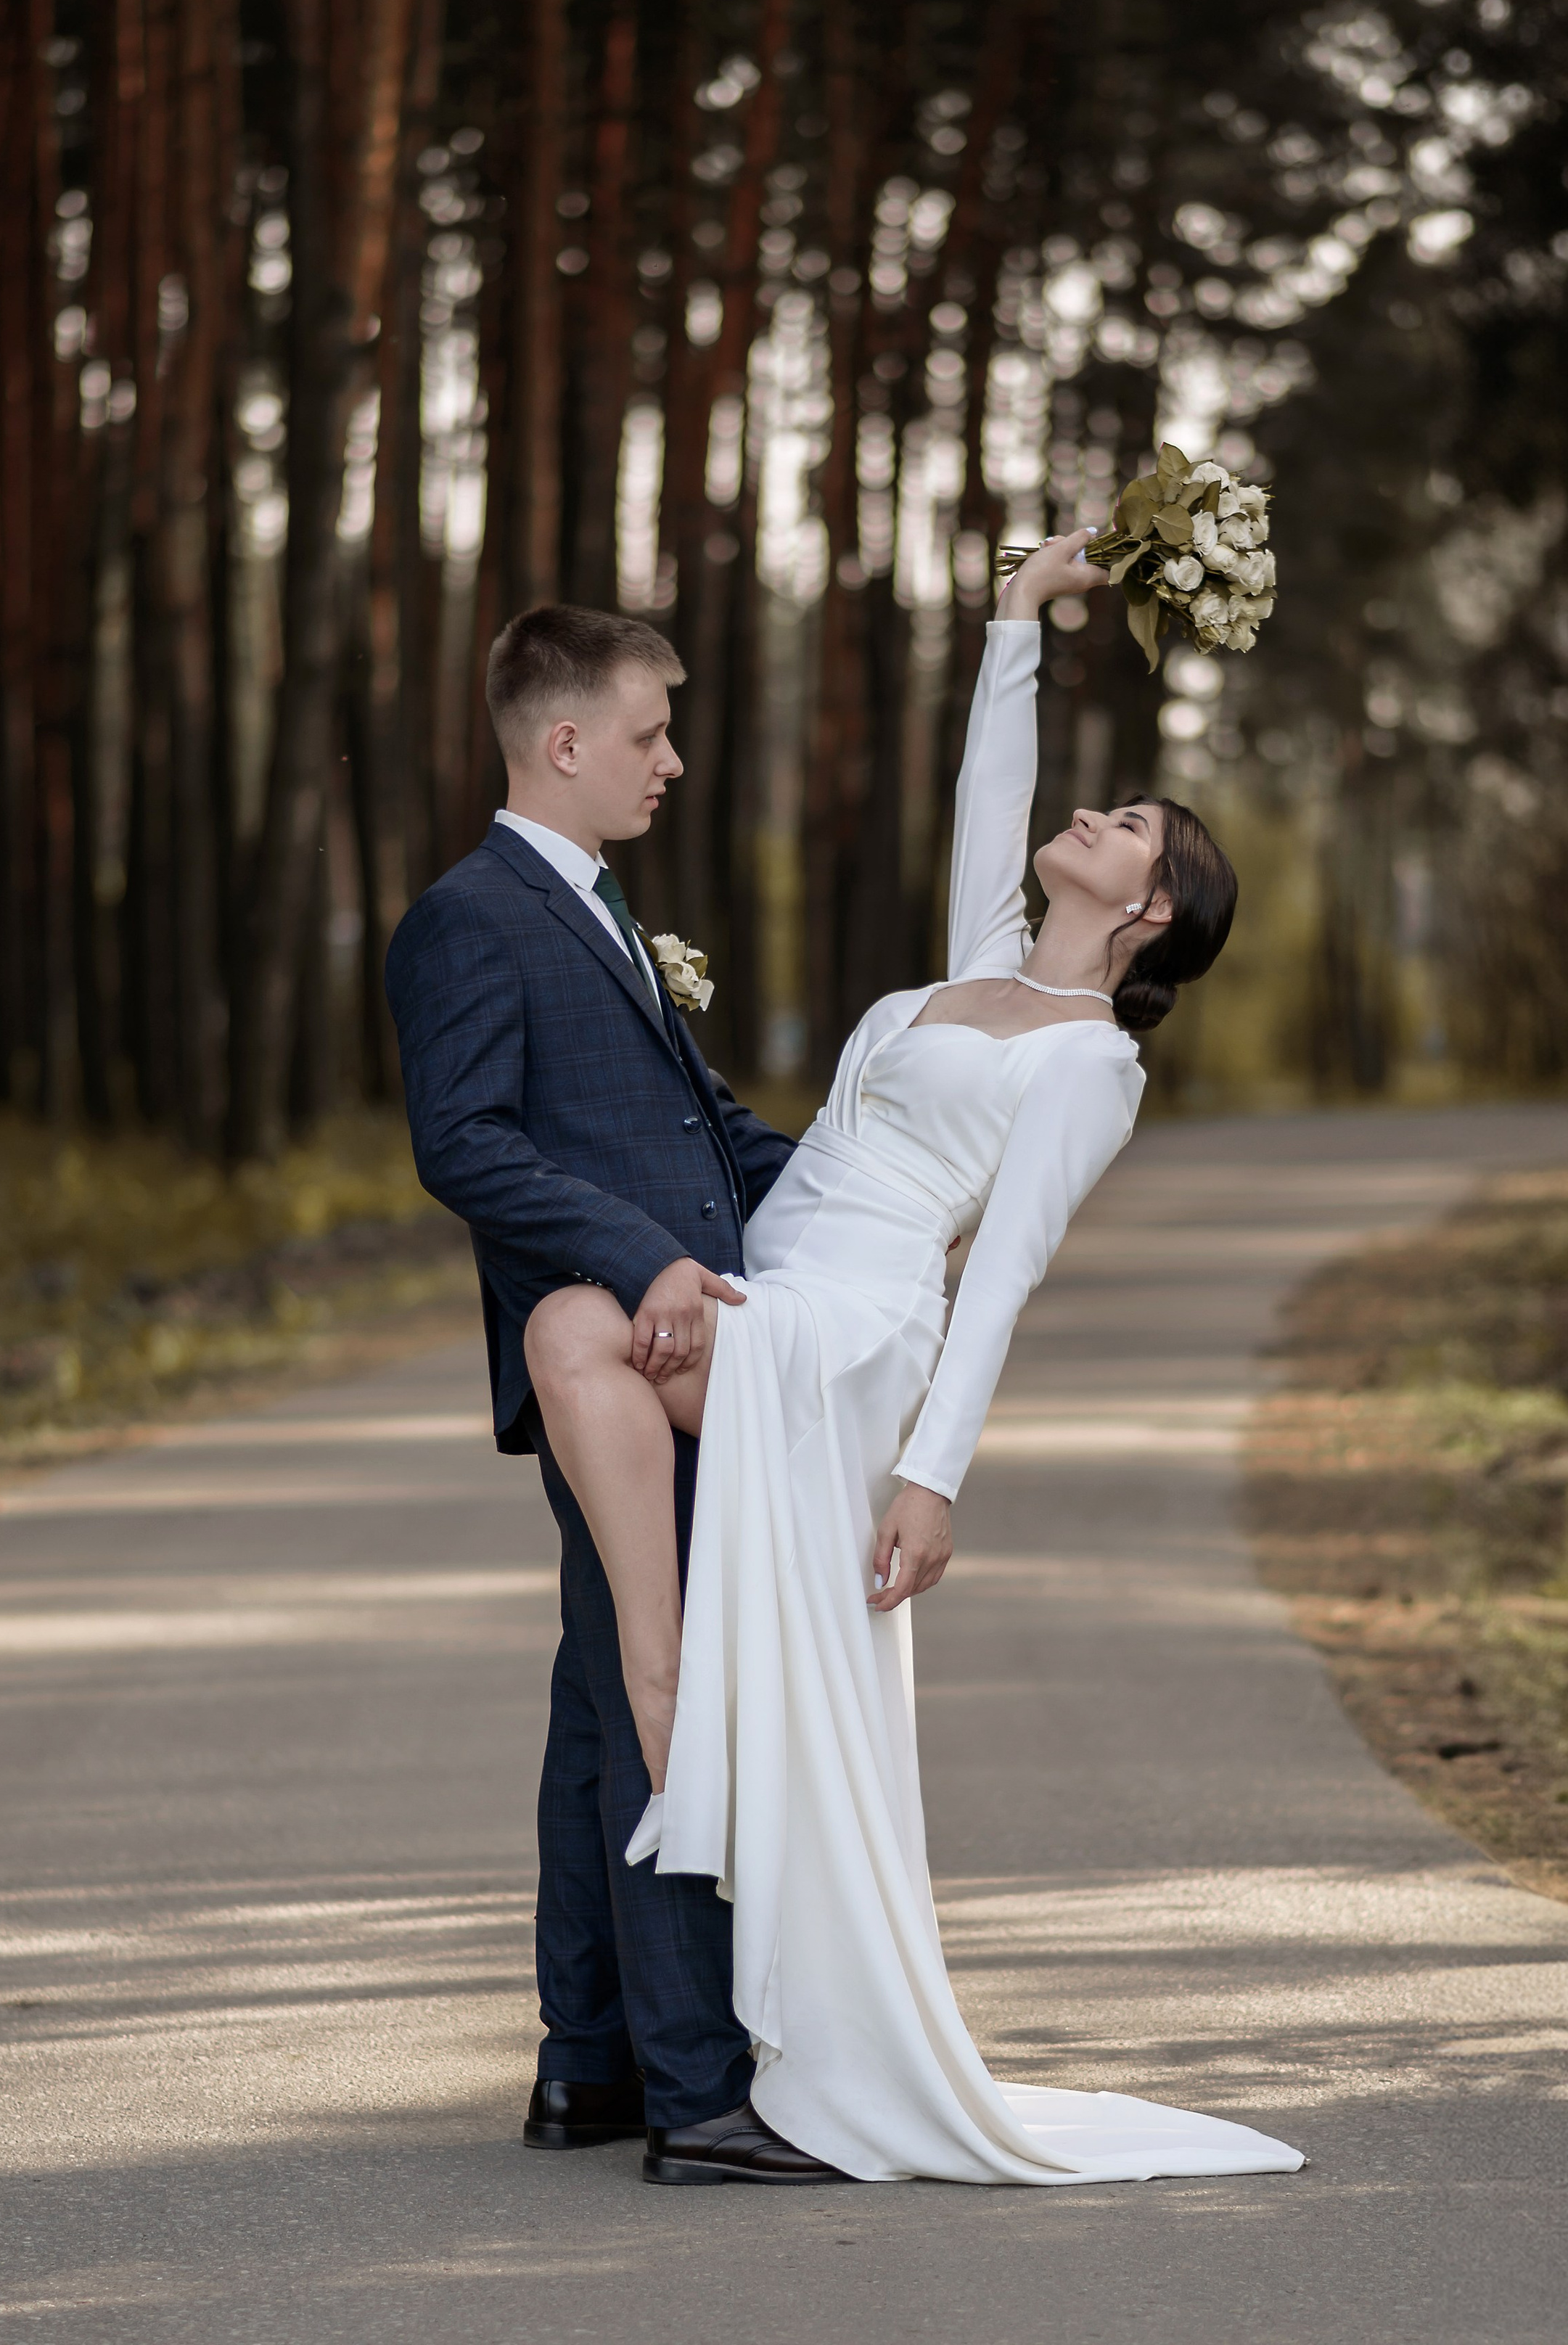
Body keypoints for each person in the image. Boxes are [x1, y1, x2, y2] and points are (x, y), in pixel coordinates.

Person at [523, 531, 1307, 2185]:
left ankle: (665, 1698)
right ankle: (674, 1694)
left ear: (1148, 906)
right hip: (769, 1275)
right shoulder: (971, 970)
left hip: (850, 1329)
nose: (1086, 822)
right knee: (573, 1333)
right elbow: (984, 790)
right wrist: (1016, 618)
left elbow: (1001, 1276)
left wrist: (931, 1476)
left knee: (571, 1325)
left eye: (1124, 830)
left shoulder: (1090, 1065)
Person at [386, 602, 836, 2185]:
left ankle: (589, 2066)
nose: (672, 758)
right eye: (647, 731)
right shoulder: (469, 917)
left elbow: (710, 1130)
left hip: (681, 1345)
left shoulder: (594, 908)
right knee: (671, 1693)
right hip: (628, 1363)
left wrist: (880, 1203)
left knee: (602, 1698)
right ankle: (700, 2093)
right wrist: (639, 1254)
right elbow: (467, 1145)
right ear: (562, 741)